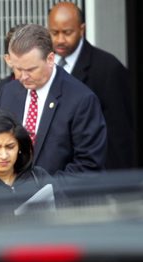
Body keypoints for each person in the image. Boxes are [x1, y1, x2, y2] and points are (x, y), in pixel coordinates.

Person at [0, 24, 107, 179]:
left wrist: (43, 190)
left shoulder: (81, 100)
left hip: (60, 199)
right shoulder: (8, 93)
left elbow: (88, 166)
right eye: (18, 69)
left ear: (50, 59)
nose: (23, 76)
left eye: (30, 70)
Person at [48, 2, 136, 169]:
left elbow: (120, 135)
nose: (60, 40)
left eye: (67, 33)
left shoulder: (108, 68)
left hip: (96, 175)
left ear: (82, 29)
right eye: (54, 33)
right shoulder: (43, 66)